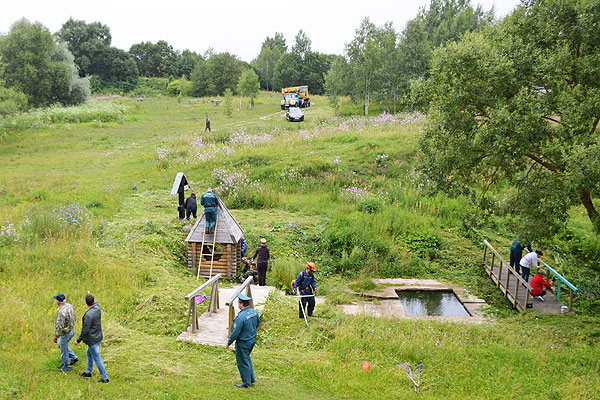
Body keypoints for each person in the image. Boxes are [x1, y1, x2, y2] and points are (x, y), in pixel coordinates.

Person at [226, 293, 260, 388]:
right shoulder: (254, 312)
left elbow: (235, 332)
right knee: (247, 358)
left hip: (243, 342)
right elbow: (257, 323)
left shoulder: (240, 317)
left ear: (241, 304)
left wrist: (229, 342)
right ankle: (251, 378)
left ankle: (246, 382)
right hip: (251, 340)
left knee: (242, 362)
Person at [75, 293, 109, 383]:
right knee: (89, 354)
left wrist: (78, 340)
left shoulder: (88, 315)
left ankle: (105, 378)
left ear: (86, 303)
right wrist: (90, 294)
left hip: (92, 340)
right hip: (98, 337)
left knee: (97, 359)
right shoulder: (97, 308)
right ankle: (88, 372)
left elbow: (85, 330)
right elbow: (96, 302)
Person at [53, 294, 78, 372]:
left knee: (63, 351)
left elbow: (59, 326)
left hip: (65, 333)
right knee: (60, 345)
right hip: (71, 330)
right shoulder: (70, 306)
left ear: (58, 302)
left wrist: (56, 337)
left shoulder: (61, 312)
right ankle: (73, 357)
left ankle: (66, 368)